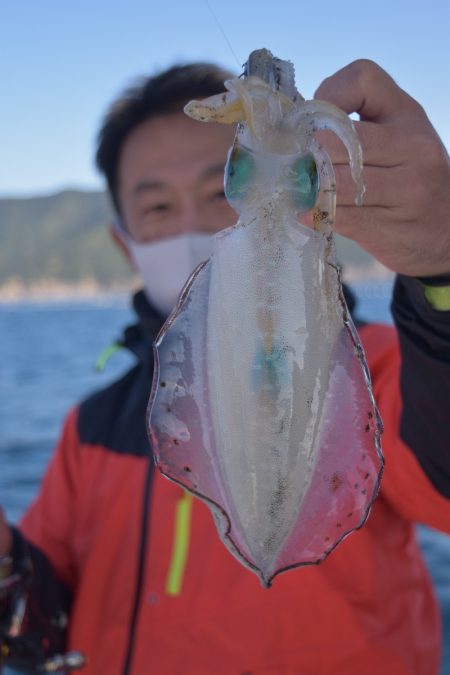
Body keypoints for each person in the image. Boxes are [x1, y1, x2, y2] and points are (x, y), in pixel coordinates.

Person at [1, 57, 450, 675]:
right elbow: (39, 623)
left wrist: (442, 276)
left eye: (221, 189)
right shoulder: (92, 427)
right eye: (157, 207)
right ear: (122, 242)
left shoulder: (378, 370)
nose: (191, 225)